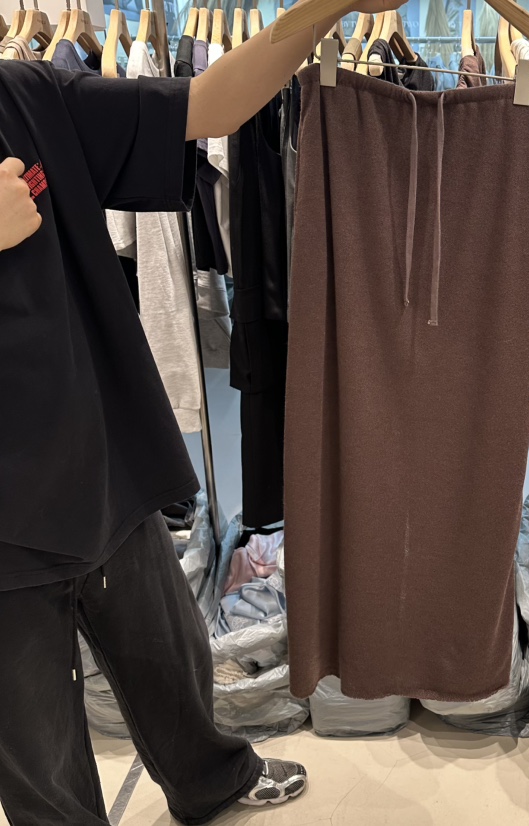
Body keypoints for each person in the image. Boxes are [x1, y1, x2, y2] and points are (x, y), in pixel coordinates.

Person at [0, 0, 398, 822]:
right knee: (38, 754)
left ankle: (212, 779)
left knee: (170, 655)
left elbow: (207, 103)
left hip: (102, 455)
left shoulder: (24, 94)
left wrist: (330, 6)